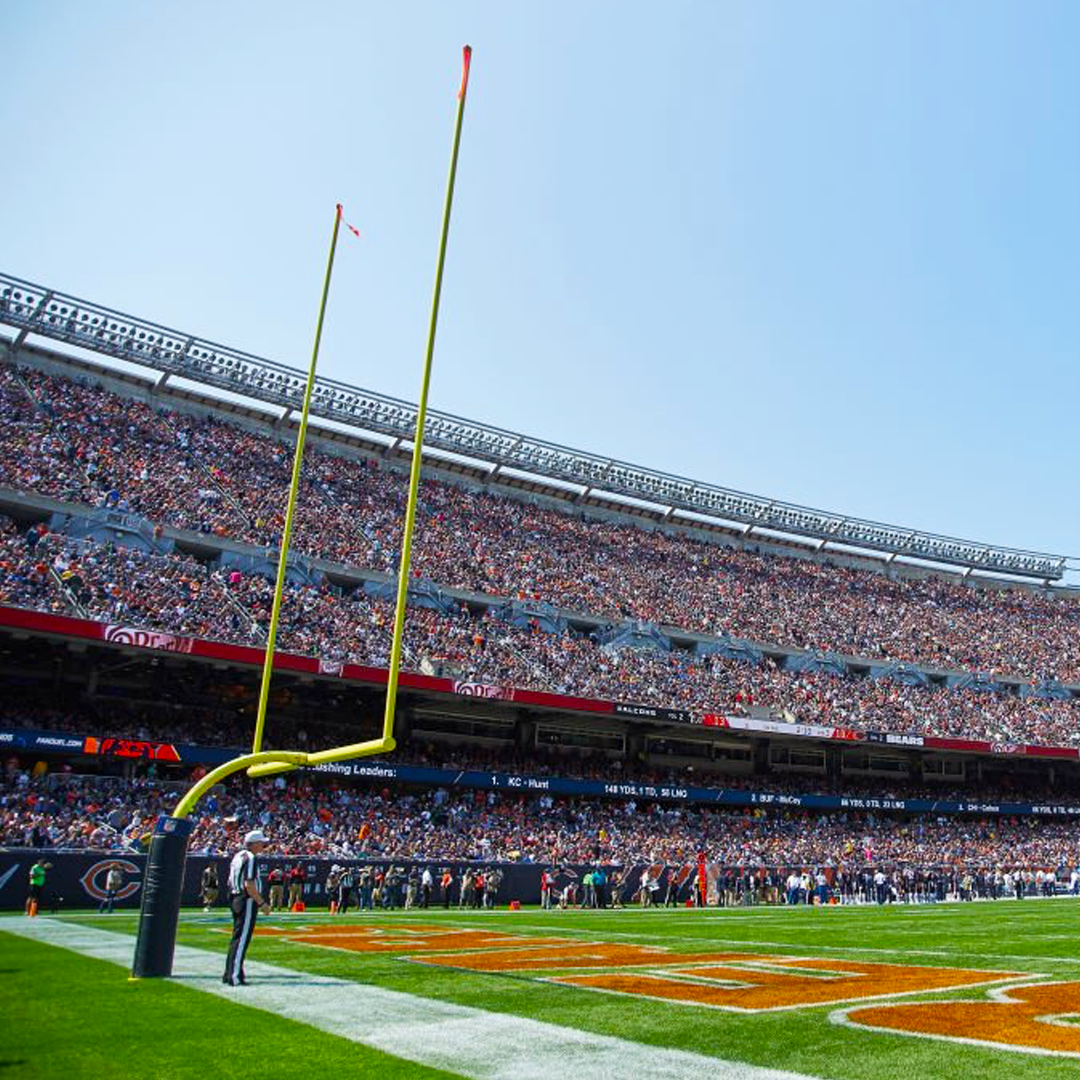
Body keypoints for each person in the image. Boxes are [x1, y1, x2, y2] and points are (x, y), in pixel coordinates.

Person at [222, 830, 270, 987]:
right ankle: (234, 976)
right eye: (261, 842)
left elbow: (230, 881)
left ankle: (232, 972)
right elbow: (249, 884)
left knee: (237, 937)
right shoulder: (250, 858)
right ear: (254, 843)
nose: (263, 845)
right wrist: (262, 903)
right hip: (246, 900)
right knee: (242, 939)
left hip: (235, 897)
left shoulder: (237, 856)